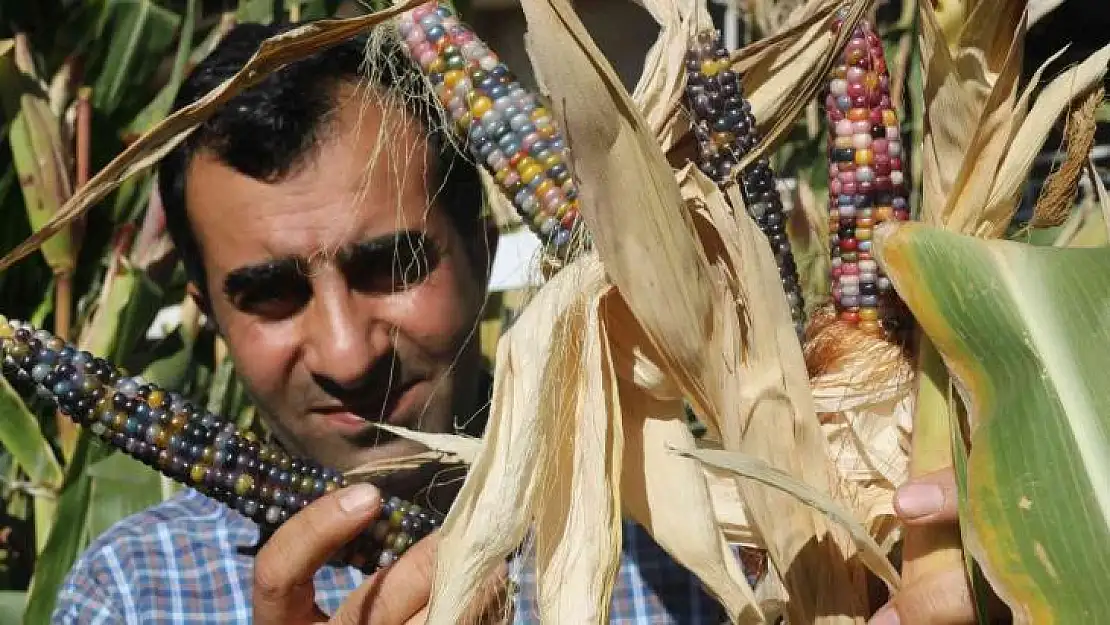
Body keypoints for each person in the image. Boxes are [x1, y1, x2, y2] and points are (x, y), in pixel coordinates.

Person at [50, 18, 994, 625]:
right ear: (209, 311)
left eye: (391, 264)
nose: (346, 351)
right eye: (269, 292)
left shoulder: (724, 533)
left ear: (475, 231)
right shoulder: (131, 593)